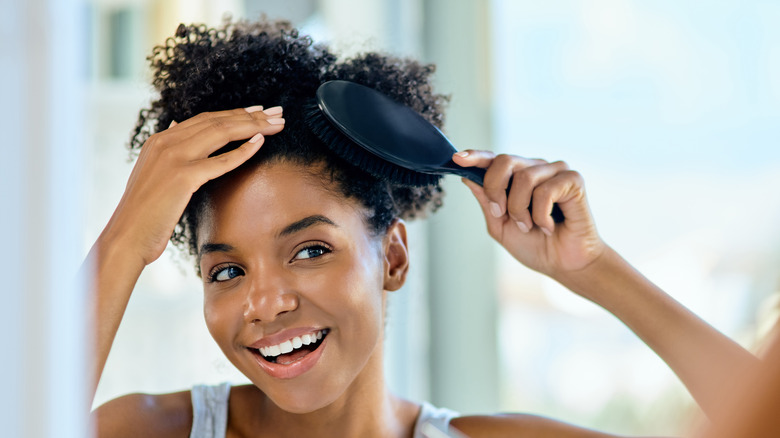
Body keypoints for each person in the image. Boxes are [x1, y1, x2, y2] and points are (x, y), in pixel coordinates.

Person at [87, 18, 759, 437]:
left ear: (394, 259)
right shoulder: (151, 432)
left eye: (311, 249)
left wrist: (594, 270)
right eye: (226, 271)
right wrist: (120, 244)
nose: (264, 304)